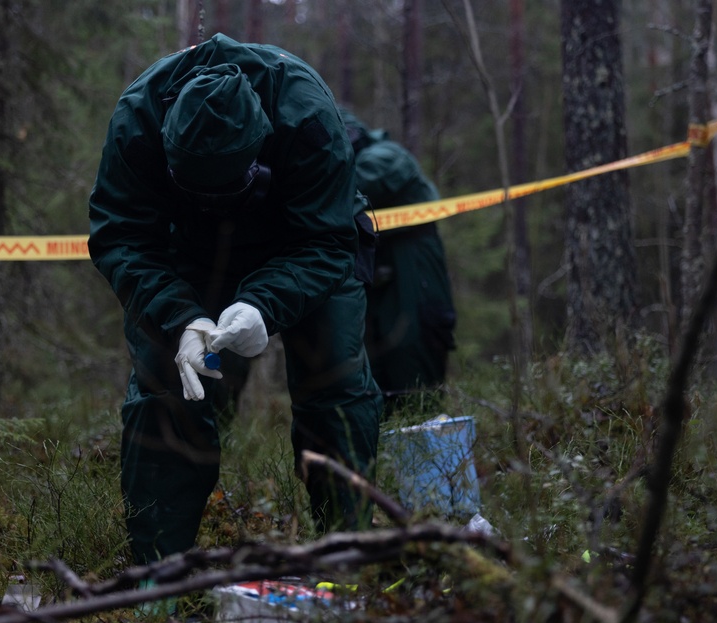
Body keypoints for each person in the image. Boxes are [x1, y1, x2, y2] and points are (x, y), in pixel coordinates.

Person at [88, 34, 383, 565]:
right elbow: (122, 237)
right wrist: (180, 318)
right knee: (163, 390)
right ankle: (159, 574)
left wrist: (263, 305)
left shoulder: (305, 113)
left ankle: (348, 556)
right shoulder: (137, 120)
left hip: (304, 240)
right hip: (188, 254)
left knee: (335, 382)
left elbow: (329, 240)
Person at [339, 109, 458, 416]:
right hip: (378, 281)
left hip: (413, 275)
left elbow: (360, 181)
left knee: (415, 379)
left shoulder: (387, 155)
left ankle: (434, 458)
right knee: (378, 377)